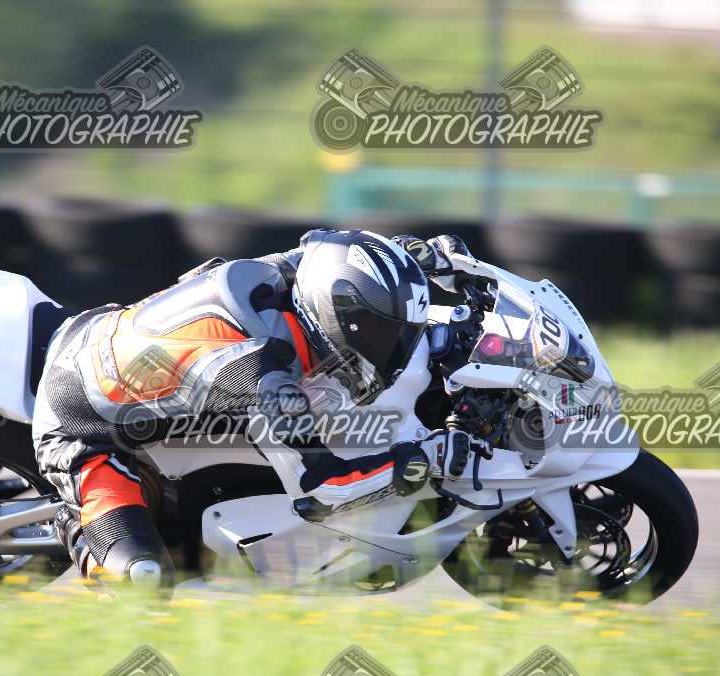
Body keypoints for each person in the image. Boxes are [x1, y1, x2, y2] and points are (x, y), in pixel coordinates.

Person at [32, 228, 479, 588]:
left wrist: (427, 258)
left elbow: (338, 249)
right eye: (378, 334)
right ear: (336, 317)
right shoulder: (257, 374)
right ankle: (71, 521)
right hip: (78, 426)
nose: (388, 349)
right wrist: (425, 460)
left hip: (110, 335)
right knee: (143, 583)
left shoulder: (295, 276)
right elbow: (324, 491)